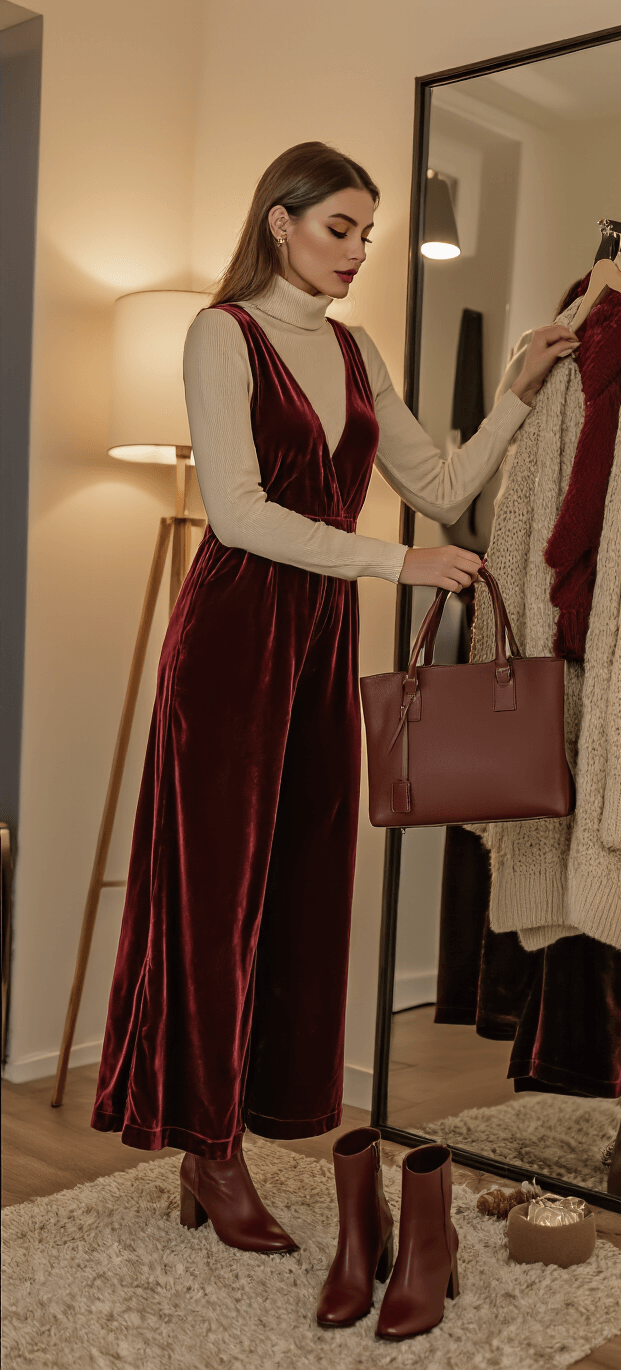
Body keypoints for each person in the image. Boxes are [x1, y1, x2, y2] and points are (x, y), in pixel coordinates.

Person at [90, 141, 578, 1257]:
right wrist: (393, 563)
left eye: (368, 233)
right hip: (230, 636)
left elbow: (443, 486)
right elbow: (241, 512)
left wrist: (516, 391)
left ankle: (244, 1124)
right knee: (217, 894)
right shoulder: (223, 333)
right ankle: (208, 1152)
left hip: (315, 638)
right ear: (281, 222)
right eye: (339, 228)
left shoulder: (356, 352)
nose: (358, 252)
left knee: (301, 886)